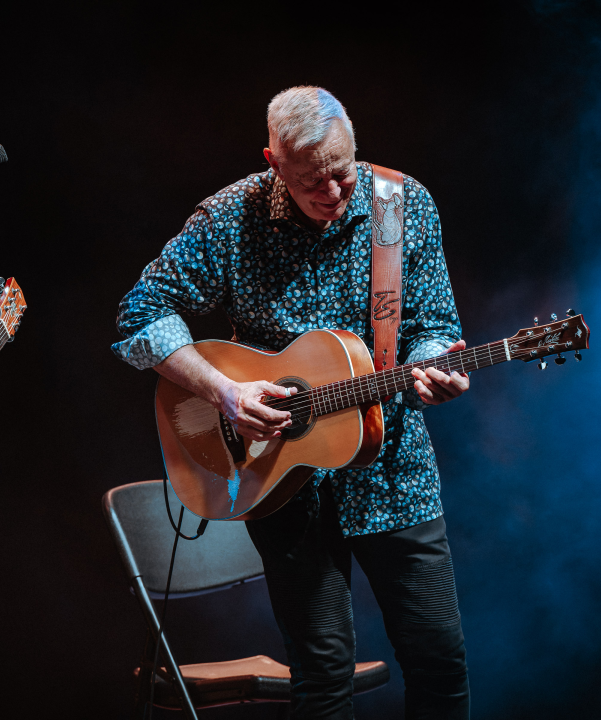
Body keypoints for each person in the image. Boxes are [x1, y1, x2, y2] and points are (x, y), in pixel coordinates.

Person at [113, 86, 471, 718]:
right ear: (273, 162)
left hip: (394, 471)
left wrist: (435, 362)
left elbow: (432, 324)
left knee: (439, 661)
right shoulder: (232, 217)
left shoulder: (401, 206)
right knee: (322, 676)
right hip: (278, 479)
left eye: (342, 172)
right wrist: (224, 390)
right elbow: (138, 317)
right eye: (312, 182)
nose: (333, 192)